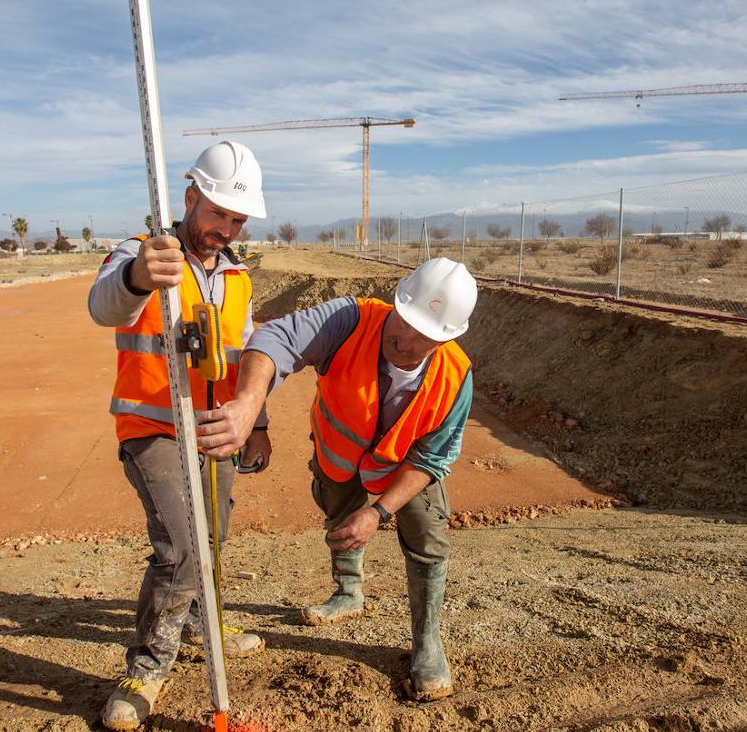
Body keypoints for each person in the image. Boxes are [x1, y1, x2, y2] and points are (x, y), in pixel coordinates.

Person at [197, 257, 478, 701]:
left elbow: (432, 458)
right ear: (397, 302)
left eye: (422, 336)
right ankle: (348, 592)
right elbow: (274, 337)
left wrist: (380, 511)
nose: (402, 339)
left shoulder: (455, 378)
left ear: (445, 337)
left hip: (403, 470)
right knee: (339, 515)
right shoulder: (351, 320)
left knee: (427, 535)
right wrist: (252, 409)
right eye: (402, 320)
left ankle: (427, 642)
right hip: (338, 454)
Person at [88, 140, 272, 731]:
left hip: (214, 429)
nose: (227, 227)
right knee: (182, 549)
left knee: (212, 539)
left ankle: (201, 626)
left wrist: (258, 420)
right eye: (218, 212)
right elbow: (103, 306)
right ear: (190, 198)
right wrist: (139, 277)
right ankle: (146, 667)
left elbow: (244, 353)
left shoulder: (238, 276)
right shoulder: (142, 252)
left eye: (237, 218)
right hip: (153, 427)